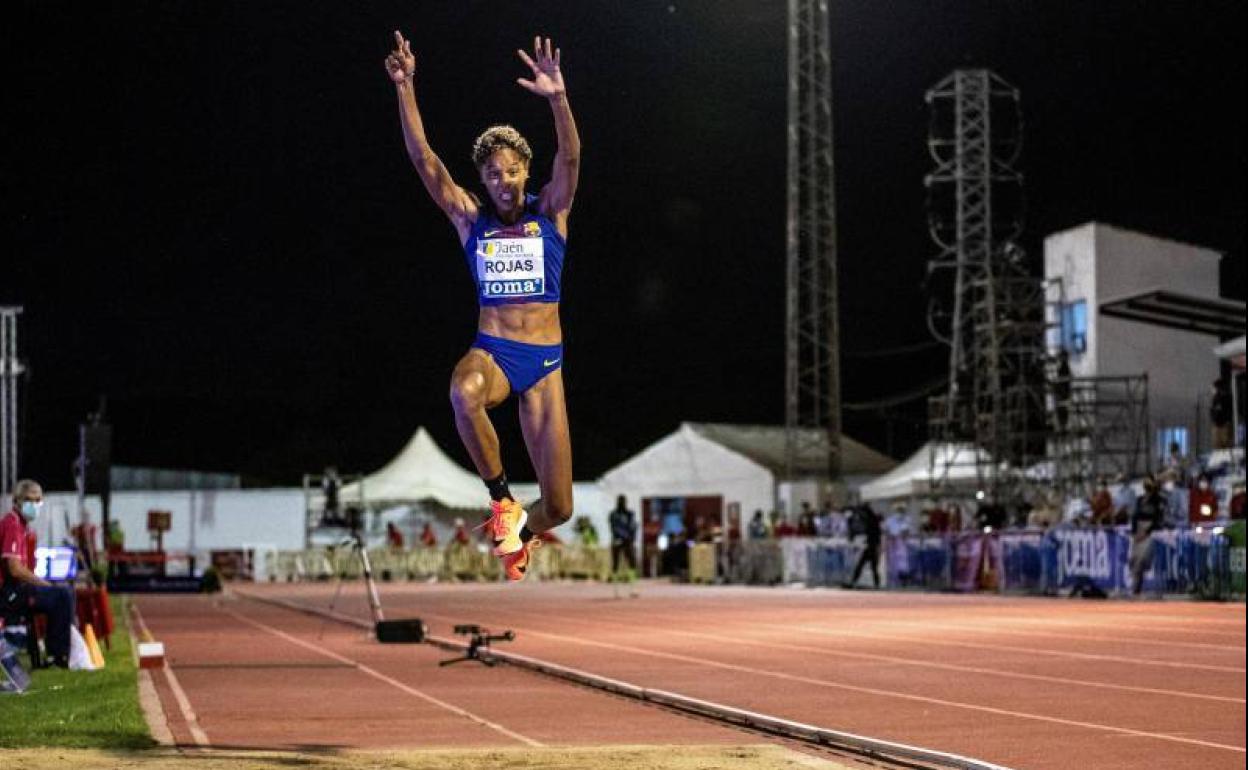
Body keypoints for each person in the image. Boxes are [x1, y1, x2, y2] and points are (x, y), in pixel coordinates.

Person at [386, 32, 581, 582]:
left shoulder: (552, 213)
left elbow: (571, 155)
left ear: (525, 169)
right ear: (484, 180)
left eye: (510, 170)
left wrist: (558, 99)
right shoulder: (473, 222)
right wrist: (406, 87)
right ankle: (501, 501)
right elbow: (424, 161)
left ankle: (519, 530)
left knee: (561, 508)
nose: (502, 181)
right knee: (460, 391)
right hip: (494, 351)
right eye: (491, 174)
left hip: (544, 365)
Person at [1, 480, 76, 668]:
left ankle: (57, 653)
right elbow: (14, 568)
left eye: (37, 501)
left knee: (64, 592)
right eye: (28, 500)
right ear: (16, 501)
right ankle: (58, 656)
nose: (34, 505)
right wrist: (42, 583)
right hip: (7, 594)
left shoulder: (21, 526)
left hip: (15, 590)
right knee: (62, 594)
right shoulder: (12, 525)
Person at [1130, 475, 1166, 596]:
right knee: (1133, 559)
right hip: (1138, 531)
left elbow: (1158, 518)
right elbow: (1134, 516)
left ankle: (1138, 587)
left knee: (1142, 559)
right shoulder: (1140, 499)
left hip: (1149, 531)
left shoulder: (1157, 500)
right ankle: (1135, 586)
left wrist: (1146, 532)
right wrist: (1135, 532)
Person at [847, 504, 882, 588]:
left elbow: (873, 533)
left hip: (872, 547)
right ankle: (876, 584)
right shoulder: (872, 519)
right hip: (872, 546)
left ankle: (853, 582)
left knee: (863, 565)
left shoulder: (871, 520)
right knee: (872, 567)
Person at [608, 496, 638, 576]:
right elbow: (613, 527)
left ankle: (632, 577)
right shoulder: (613, 514)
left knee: (632, 559)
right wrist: (622, 536)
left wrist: (631, 537)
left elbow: (633, 526)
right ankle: (615, 580)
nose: (622, 503)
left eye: (623, 501)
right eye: (620, 501)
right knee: (616, 561)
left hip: (628, 540)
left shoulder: (630, 514)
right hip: (617, 539)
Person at [1211, 378, 1233, 450]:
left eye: (1214, 388)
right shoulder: (1215, 398)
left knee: (1225, 441)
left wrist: (1227, 421)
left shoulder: (1225, 397)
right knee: (1217, 442)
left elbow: (1227, 410)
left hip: (1223, 423)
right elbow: (1213, 410)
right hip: (1217, 423)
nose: (1213, 390)